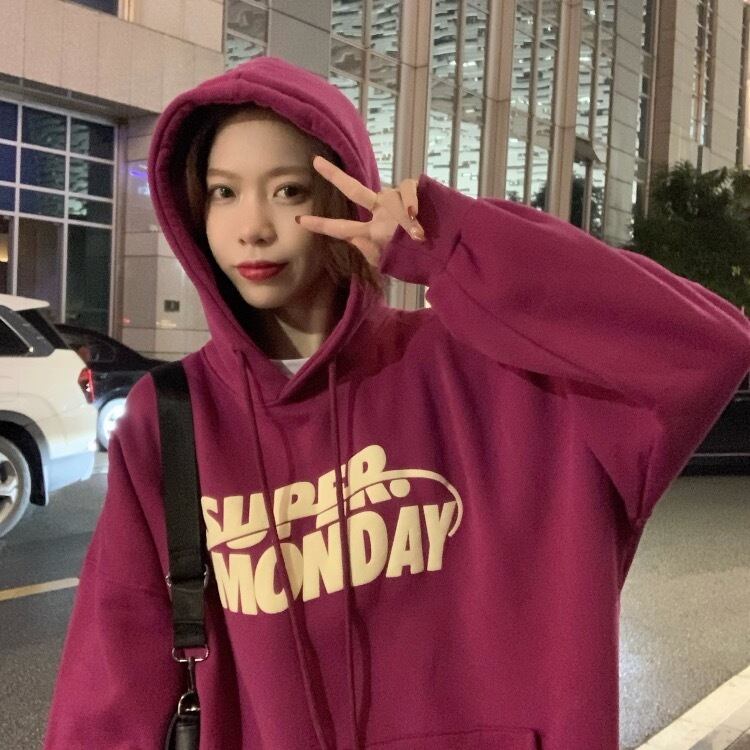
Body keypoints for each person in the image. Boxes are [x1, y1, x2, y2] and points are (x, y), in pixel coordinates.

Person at [44, 55, 750, 750]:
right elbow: (110, 687)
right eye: (224, 192)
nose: (251, 226)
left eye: (288, 190)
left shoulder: (494, 375)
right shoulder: (171, 418)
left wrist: (448, 242)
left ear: (345, 198)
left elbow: (706, 348)